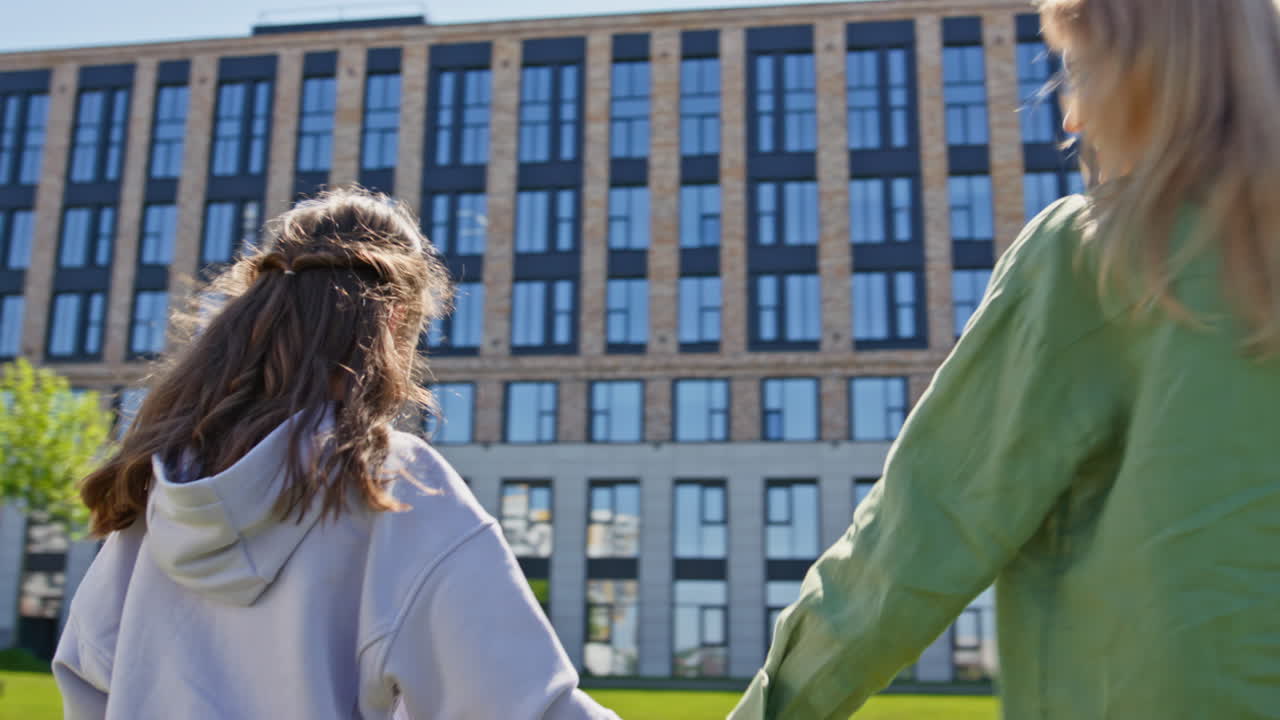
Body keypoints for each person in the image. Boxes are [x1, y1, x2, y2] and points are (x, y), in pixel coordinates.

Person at [729, 0, 1280, 717]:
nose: (1072, 118)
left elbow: (919, 535)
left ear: (1150, 69)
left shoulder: (1096, 257)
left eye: (1080, 70)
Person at [53, 188, 620, 720]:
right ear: (394, 319)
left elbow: (86, 674)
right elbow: (522, 707)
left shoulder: (157, 486)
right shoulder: (390, 482)